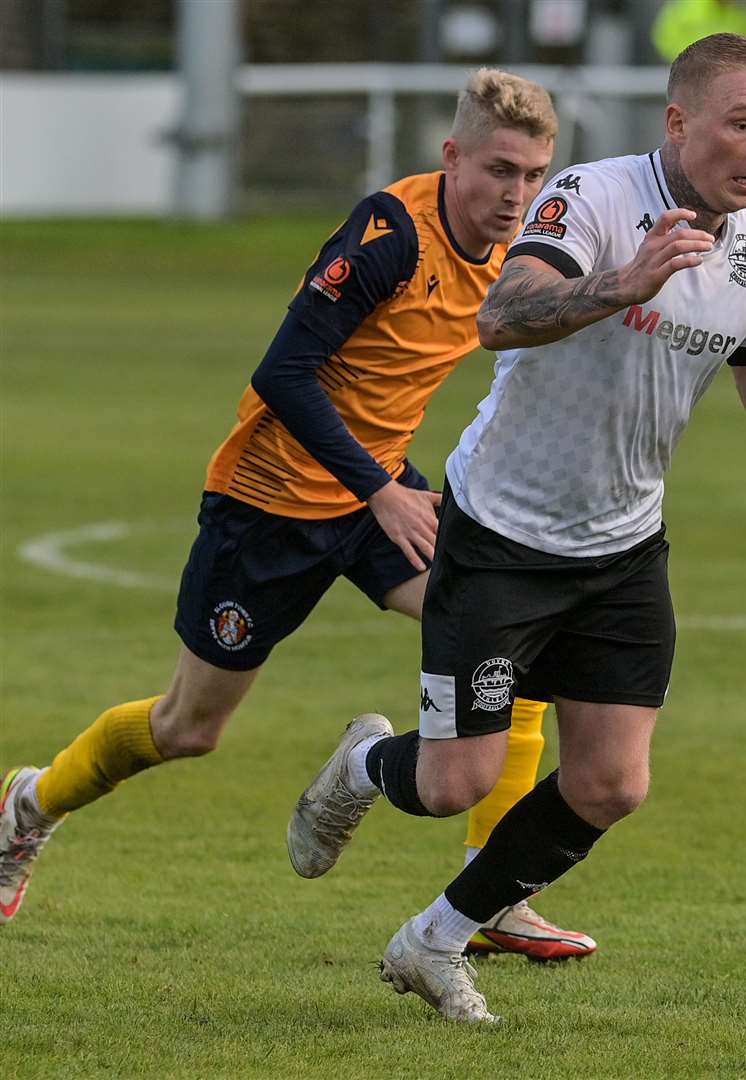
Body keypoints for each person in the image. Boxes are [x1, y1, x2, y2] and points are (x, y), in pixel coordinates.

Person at [289, 31, 746, 1024]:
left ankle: (433, 941)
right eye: (742, 122)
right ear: (679, 122)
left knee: (611, 783)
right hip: (500, 537)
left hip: (620, 548)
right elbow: (502, 315)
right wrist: (626, 280)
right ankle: (363, 765)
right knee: (453, 785)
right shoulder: (598, 196)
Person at [0, 69, 597, 961]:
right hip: (272, 504)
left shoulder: (516, 258)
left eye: (532, 174)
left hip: (377, 492)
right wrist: (379, 487)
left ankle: (494, 894)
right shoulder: (392, 233)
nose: (515, 194)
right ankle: (26, 809)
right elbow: (282, 374)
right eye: (499, 170)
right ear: (453, 158)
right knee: (187, 728)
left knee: (513, 643)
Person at [651, 0, 746, 61]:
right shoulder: (684, 9)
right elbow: (664, 38)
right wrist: (689, 59)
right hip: (689, 72)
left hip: (731, 75)